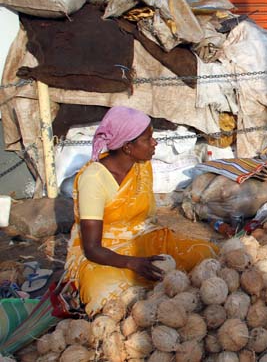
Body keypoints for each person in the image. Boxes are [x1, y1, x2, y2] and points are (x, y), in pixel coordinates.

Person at [64, 106, 216, 315]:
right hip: (105, 253)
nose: (155, 143)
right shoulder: (94, 179)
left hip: (142, 238)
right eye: (148, 139)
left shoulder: (141, 166)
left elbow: (145, 222)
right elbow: (92, 248)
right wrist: (132, 262)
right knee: (103, 292)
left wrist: (141, 258)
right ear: (127, 147)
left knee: (206, 254)